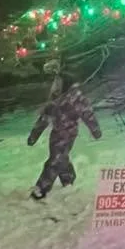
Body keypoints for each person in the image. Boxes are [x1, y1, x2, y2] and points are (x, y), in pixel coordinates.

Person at [27, 71, 102, 199]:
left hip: (68, 133)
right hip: (56, 133)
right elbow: (44, 118)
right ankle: (68, 178)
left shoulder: (76, 97)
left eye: (58, 82)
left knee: (55, 160)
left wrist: (95, 130)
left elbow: (87, 114)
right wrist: (34, 135)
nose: (55, 85)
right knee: (60, 156)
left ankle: (41, 188)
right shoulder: (55, 98)